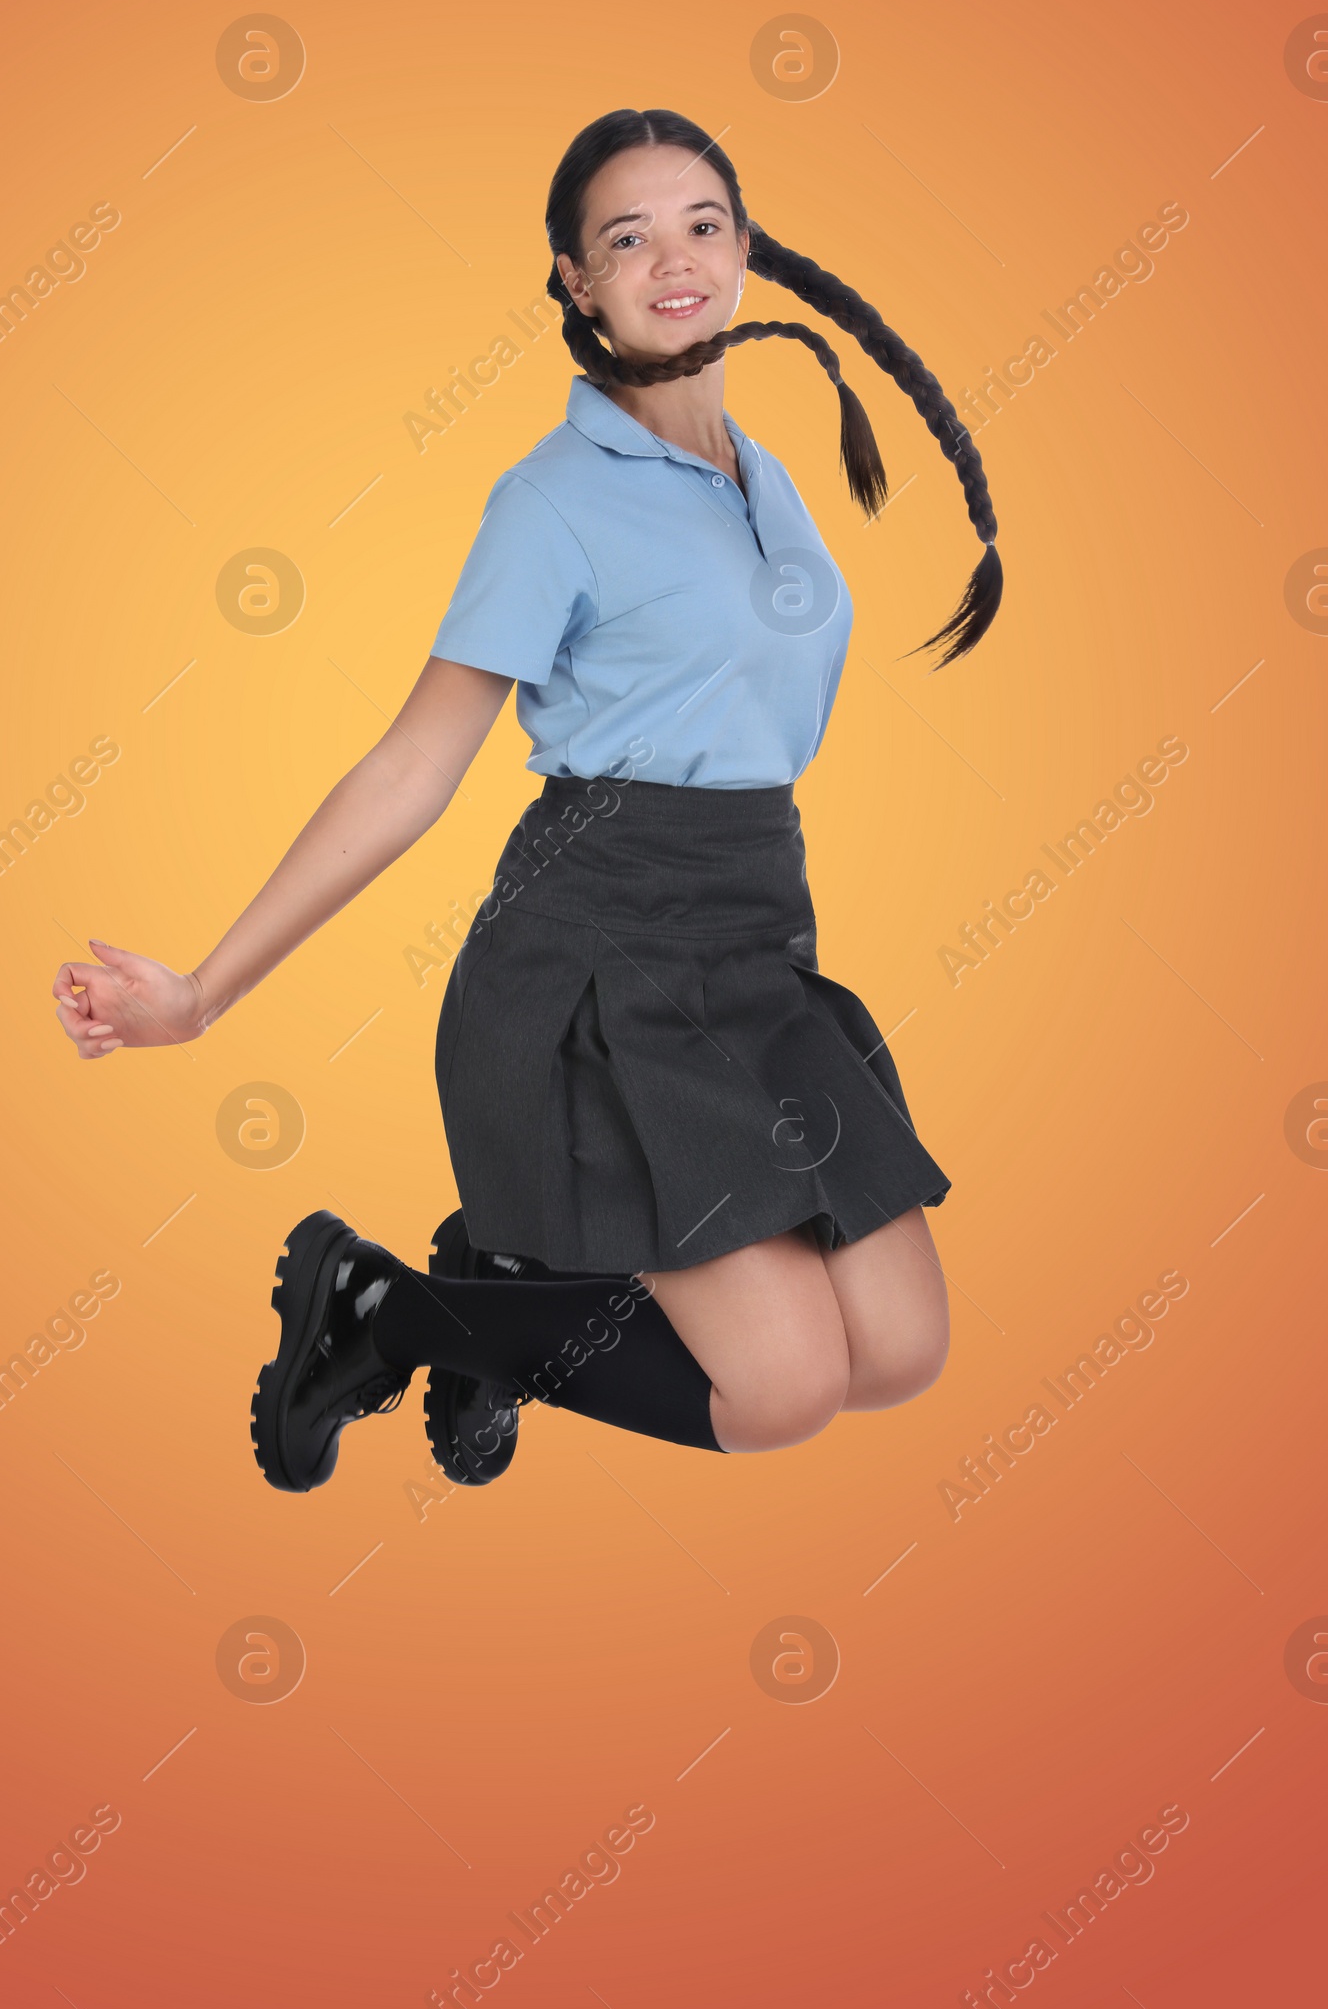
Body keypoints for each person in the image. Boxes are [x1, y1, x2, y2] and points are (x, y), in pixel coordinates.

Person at [51, 107, 1001, 1497]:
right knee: (785, 1390)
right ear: (574, 277)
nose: (672, 261)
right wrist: (199, 995)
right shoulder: (550, 503)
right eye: (627, 238)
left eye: (702, 225)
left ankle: (496, 1282)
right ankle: (393, 1310)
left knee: (903, 1349)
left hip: (756, 946)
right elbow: (410, 767)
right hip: (601, 959)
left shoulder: (766, 476)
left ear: (745, 249)